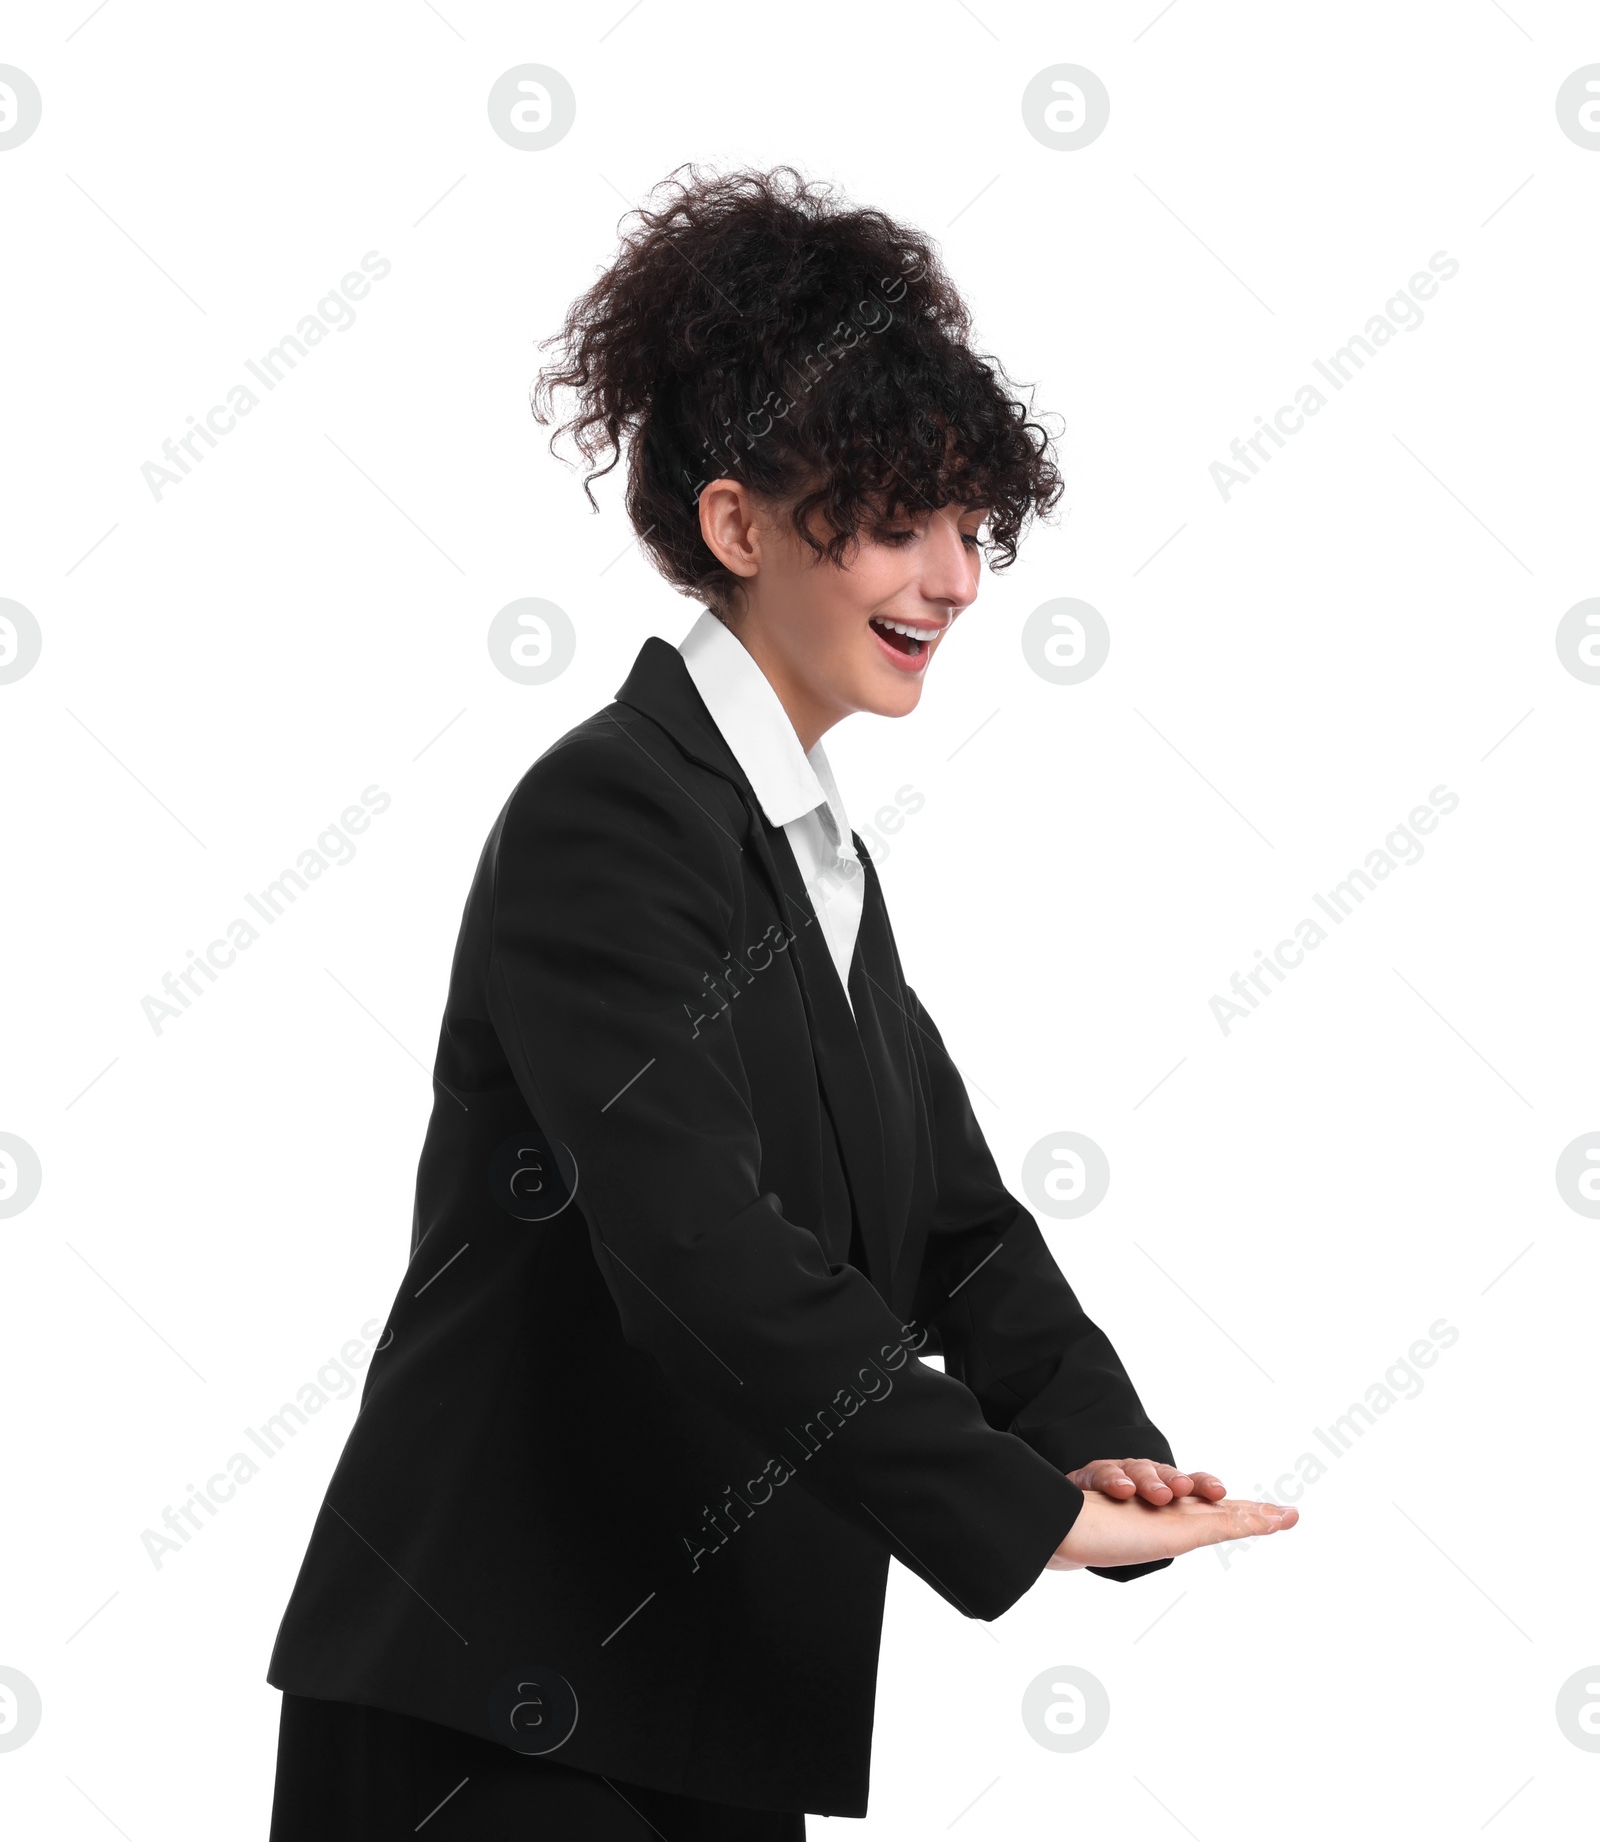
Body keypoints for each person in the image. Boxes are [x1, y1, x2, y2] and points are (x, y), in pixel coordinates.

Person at [264, 163, 1296, 1840]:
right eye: (902, 518)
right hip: (502, 1709)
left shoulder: (810, 856)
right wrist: (1011, 1506)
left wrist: (1100, 1444)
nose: (958, 578)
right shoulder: (613, 814)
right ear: (738, 526)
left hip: (706, 1713)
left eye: (974, 524)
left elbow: (953, 1222)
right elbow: (700, 1254)